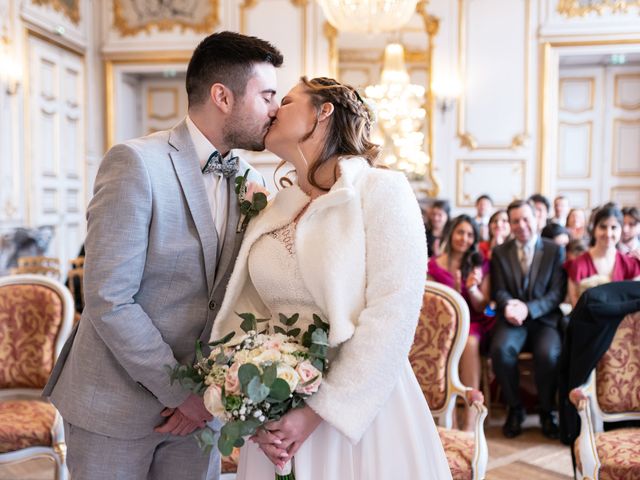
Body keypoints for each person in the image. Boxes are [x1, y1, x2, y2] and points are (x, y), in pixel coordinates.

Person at [43, 32, 284, 480]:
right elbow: (110, 298)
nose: (275, 109)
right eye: (267, 95)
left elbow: (235, 298)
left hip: (198, 419)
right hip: (114, 409)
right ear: (222, 96)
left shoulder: (249, 178)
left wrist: (209, 398)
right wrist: (181, 392)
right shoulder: (136, 163)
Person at [208, 77, 452, 479]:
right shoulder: (274, 208)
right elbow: (248, 309)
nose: (272, 110)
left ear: (324, 112)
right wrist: (248, 402)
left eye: (285, 101)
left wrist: (320, 412)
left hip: (358, 414)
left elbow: (394, 311)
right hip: (276, 410)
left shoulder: (381, 190)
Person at [490, 200, 567, 440]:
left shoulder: (554, 250)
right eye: (515, 221)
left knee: (548, 355)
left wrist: (528, 308)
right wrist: (509, 305)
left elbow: (557, 293)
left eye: (526, 219)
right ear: (509, 224)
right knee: (500, 351)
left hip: (544, 319)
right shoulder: (500, 252)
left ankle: (546, 410)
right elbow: (498, 290)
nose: (521, 225)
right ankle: (515, 408)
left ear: (537, 219)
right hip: (513, 319)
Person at [428, 214, 490, 431]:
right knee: (442, 345)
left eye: (470, 234)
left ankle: (470, 421)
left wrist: (471, 288)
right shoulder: (434, 265)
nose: (464, 238)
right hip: (443, 326)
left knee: (470, 343)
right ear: (452, 233)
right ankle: (449, 419)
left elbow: (483, 305)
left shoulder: (479, 265)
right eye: (460, 232)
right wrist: (453, 290)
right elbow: (433, 304)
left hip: (472, 321)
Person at [565, 205, 640, 308]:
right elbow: (576, 305)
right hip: (587, 322)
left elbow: (635, 303)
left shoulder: (631, 265)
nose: (608, 233)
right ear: (594, 229)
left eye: (614, 227)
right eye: (603, 227)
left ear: (621, 230)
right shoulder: (578, 264)